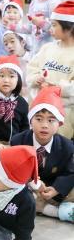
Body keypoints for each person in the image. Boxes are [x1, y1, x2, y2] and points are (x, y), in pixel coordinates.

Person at [11, 87, 74, 222]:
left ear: (59, 123)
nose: (44, 125)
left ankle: (41, 206)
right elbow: (15, 170)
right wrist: (33, 184)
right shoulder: (18, 141)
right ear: (30, 120)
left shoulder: (67, 146)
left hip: (53, 187)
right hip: (28, 186)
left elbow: (70, 172)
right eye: (39, 119)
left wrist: (56, 189)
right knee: (6, 188)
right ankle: (50, 209)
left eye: (51, 120)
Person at [26, 0, 74, 139]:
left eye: (54, 25)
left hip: (65, 116)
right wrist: (36, 79)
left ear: (69, 27)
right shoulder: (47, 48)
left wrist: (57, 89)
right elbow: (32, 69)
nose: (50, 29)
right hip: (41, 112)